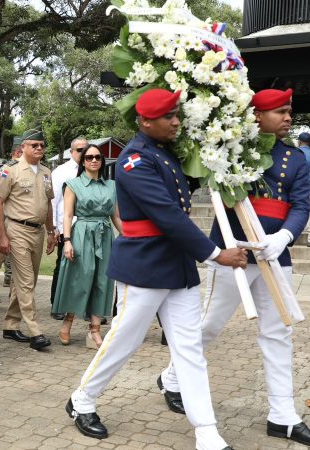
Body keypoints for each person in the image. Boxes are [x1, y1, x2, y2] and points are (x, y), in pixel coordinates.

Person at [65, 89, 247, 450]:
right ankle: (82, 399)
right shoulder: (134, 160)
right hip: (145, 264)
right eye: (168, 116)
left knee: (190, 348)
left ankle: (207, 432)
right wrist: (214, 254)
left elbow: (185, 192)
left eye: (177, 115)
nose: (176, 121)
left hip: (176, 266)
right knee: (124, 340)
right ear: (145, 121)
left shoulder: (165, 154)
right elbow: (167, 215)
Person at [159, 89, 310, 449]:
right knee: (209, 326)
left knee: (278, 334)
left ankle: (282, 416)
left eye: (289, 111)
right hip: (231, 253)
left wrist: (284, 236)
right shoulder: (232, 150)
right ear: (257, 116)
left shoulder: (296, 158)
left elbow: (300, 204)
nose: (287, 117)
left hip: (274, 256)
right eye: (279, 111)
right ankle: (173, 378)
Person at [52, 144, 121, 348]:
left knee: (102, 281)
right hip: (81, 233)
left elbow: (115, 215)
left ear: (102, 160)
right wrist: (66, 241)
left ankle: (95, 330)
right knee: (79, 279)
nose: (93, 160)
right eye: (89, 157)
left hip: (104, 233)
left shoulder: (112, 186)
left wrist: (128, 237)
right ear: (83, 162)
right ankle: (68, 321)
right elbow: (66, 215)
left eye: (97, 157)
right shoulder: (73, 184)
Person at [0, 129, 56, 351]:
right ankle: (35, 330)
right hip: (17, 229)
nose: (39, 148)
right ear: (23, 148)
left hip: (38, 232)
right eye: (34, 145)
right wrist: (2, 235)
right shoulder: (9, 171)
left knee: (24, 281)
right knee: (27, 281)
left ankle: (10, 325)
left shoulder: (47, 172)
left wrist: (51, 231)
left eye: (42, 145)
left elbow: (48, 204)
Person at [49, 137, 86, 321]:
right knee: (62, 265)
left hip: (88, 225)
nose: (83, 153)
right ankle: (57, 303)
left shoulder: (93, 170)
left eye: (86, 149)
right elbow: (54, 201)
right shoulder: (61, 172)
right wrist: (54, 227)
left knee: (87, 266)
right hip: (67, 225)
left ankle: (86, 307)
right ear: (71, 152)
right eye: (79, 150)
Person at [0, 146, 22, 289]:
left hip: (14, 221)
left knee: (8, 256)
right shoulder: (3, 169)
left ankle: (7, 279)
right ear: (17, 152)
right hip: (3, 219)